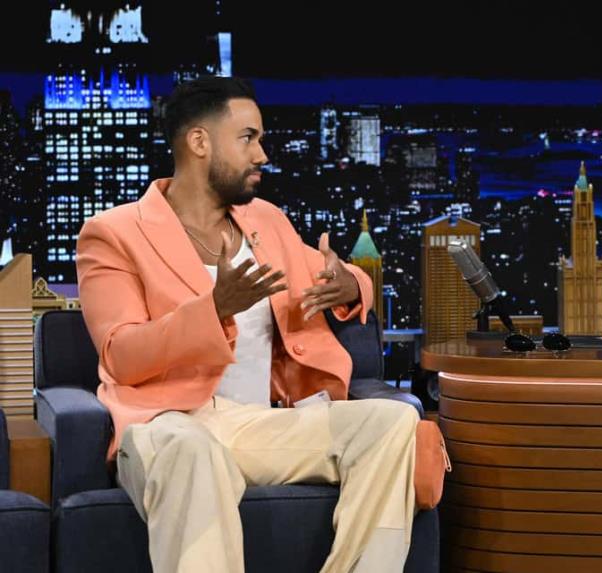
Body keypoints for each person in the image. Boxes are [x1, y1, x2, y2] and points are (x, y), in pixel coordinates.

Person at [76, 75, 419, 573]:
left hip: (258, 424)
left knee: (392, 422)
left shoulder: (266, 222)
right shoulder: (114, 234)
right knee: (193, 451)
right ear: (199, 142)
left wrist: (350, 286)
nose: (262, 155)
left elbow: (340, 276)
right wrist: (213, 309)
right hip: (168, 424)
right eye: (248, 138)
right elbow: (122, 356)